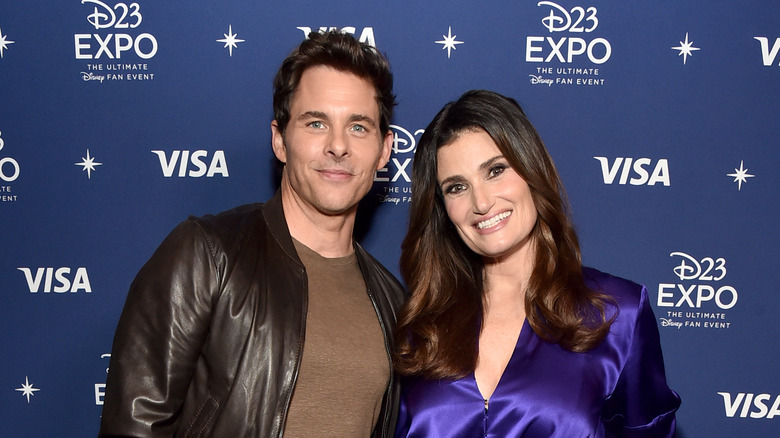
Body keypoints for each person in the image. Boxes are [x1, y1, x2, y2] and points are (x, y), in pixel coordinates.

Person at [99, 30, 405, 438]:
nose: (337, 146)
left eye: (358, 127)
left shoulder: (391, 301)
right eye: (316, 123)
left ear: (384, 150)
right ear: (280, 140)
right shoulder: (207, 255)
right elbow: (133, 427)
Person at [393, 90, 680, 437]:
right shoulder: (421, 328)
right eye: (456, 187)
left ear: (532, 170)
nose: (481, 202)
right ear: (442, 209)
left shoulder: (618, 314)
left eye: (496, 170)